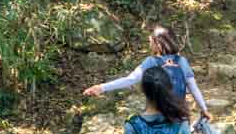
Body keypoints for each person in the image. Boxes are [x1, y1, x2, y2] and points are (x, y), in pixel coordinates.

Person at [83, 25, 211, 121]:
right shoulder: (182, 61)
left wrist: (101, 87)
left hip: (157, 116)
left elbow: (130, 80)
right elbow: (194, 89)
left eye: (151, 42)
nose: (150, 45)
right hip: (179, 116)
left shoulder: (151, 61)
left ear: (158, 43)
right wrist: (204, 110)